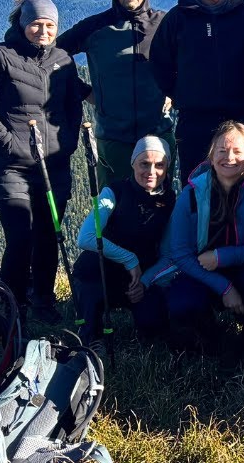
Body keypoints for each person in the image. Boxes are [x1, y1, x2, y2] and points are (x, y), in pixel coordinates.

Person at [0, 0, 90, 323]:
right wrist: (9, 143)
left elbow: (73, 106)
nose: (44, 30)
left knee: (49, 235)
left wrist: (68, 143)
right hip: (11, 165)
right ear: (22, 24)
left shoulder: (63, 60)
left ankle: (44, 301)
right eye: (37, 23)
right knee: (21, 236)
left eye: (50, 25)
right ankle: (14, 303)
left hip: (54, 165)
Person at [143, 121, 244, 355]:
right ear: (211, 158)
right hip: (199, 268)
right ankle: (209, 338)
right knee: (183, 302)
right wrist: (224, 287)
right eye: (222, 151)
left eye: (237, 151)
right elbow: (180, 253)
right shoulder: (192, 193)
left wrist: (223, 257)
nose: (229, 157)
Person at [150, 0, 244, 185]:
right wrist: (181, 94)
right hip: (195, 119)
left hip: (241, 115)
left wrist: (243, 90)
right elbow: (160, 62)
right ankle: (198, 224)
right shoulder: (177, 18)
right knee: (195, 185)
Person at [57, 0, 175, 189]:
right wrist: (85, 92)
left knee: (160, 202)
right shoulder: (95, 27)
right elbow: (55, 56)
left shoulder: (164, 23)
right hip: (113, 136)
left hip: (157, 132)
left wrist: (175, 90)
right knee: (112, 203)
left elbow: (191, 58)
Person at [73, 135, 174, 346]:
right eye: (144, 164)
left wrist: (145, 282)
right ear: (133, 163)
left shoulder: (170, 201)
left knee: (153, 328)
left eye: (159, 165)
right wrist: (129, 259)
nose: (152, 172)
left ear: (167, 167)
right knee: (89, 277)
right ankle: (92, 332)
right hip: (102, 272)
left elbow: (170, 254)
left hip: (140, 277)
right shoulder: (113, 193)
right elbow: (86, 237)